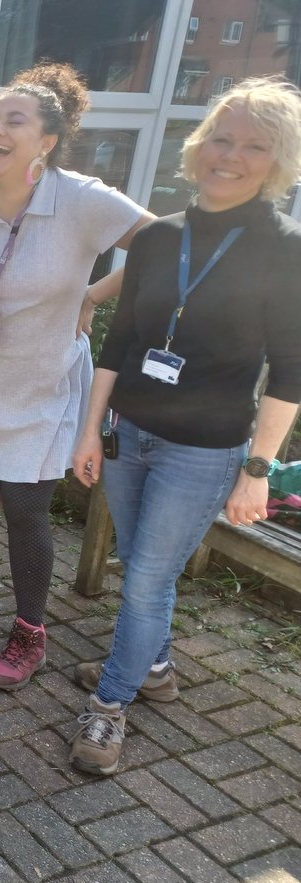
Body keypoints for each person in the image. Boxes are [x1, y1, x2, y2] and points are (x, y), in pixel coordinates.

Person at [69, 77, 301, 774]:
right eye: (221, 139)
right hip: (130, 435)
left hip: (204, 450)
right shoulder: (157, 237)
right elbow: (118, 342)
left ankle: (110, 706)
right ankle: (155, 666)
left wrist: (257, 469)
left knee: (144, 580)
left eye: (254, 146)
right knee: (148, 566)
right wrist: (90, 430)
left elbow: (290, 372)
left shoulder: (284, 248)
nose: (230, 156)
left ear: (279, 161)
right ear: (200, 146)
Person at [0, 63, 154, 690]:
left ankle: (30, 632)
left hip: (44, 379)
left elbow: (164, 242)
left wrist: (94, 295)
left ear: (47, 140)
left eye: (13, 121)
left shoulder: (80, 199)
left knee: (25, 505)